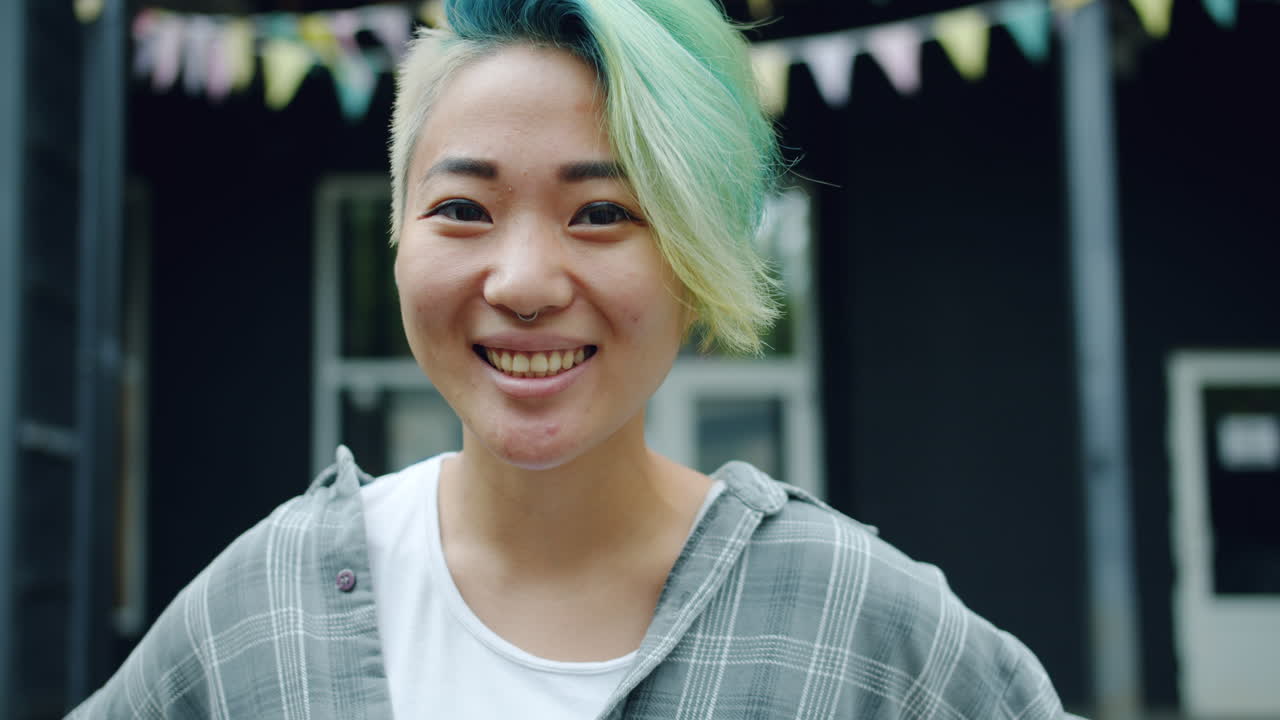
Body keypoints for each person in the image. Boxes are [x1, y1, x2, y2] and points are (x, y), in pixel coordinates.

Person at [70, 0, 1069, 717]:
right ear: (397, 237)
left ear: (691, 256)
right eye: (462, 209)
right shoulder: (269, 605)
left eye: (601, 213)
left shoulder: (854, 623)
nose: (523, 281)